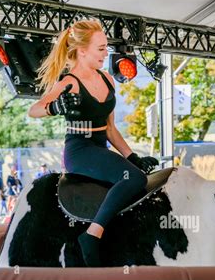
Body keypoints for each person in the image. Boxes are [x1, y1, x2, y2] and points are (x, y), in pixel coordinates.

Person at [28, 19, 158, 266]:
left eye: (106, 46)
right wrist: (54, 107)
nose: (106, 52)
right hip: (80, 151)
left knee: (136, 175)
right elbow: (34, 110)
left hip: (101, 148)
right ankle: (91, 235)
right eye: (101, 48)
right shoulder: (69, 82)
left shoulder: (108, 79)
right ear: (82, 50)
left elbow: (110, 129)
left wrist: (133, 158)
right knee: (136, 179)